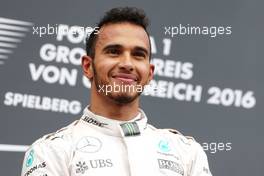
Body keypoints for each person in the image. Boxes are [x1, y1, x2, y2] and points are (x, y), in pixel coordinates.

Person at [21, 7, 212, 176]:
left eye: (138, 55)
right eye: (113, 51)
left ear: (150, 73)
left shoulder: (187, 153)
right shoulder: (50, 151)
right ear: (88, 66)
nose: (127, 64)